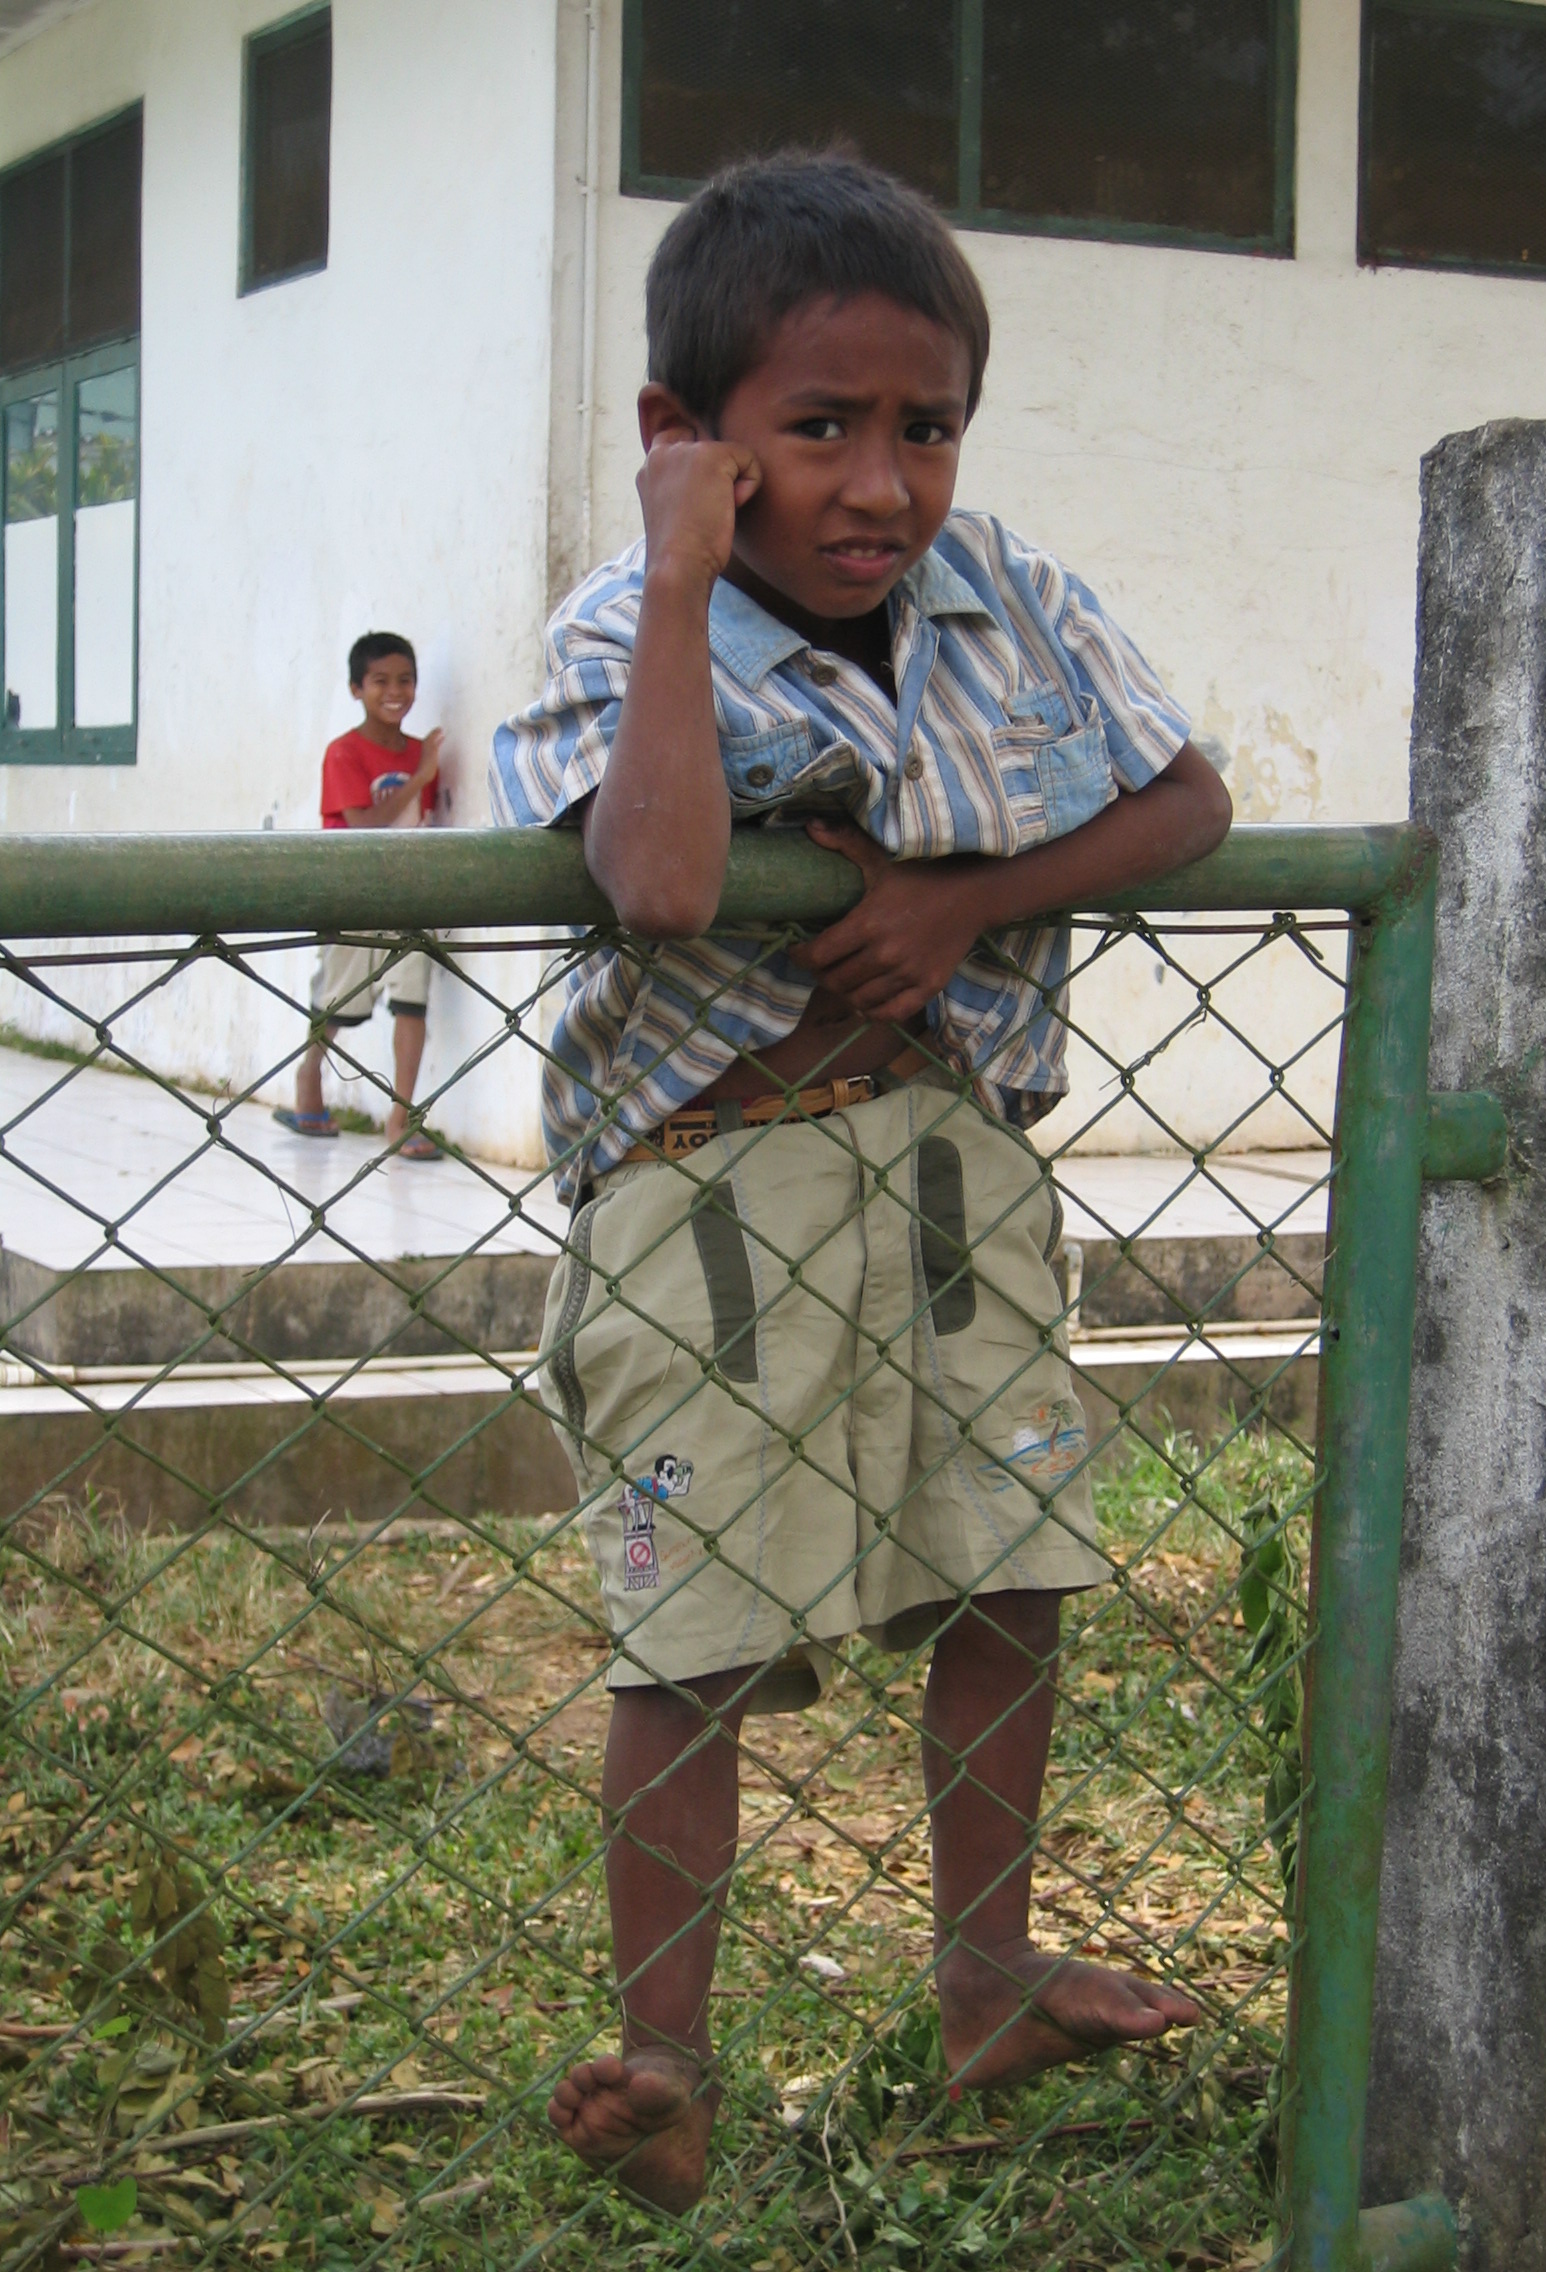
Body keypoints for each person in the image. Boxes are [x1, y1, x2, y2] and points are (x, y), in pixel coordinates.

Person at [490, 150, 1233, 2213]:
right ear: (689, 435)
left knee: (1015, 1569)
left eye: (926, 427)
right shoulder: (615, 628)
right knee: (695, 1637)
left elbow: (1187, 796)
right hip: (709, 1203)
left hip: (951, 1169)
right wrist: (671, 578)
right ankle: (664, 2057)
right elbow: (662, 881)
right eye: (818, 427)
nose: (881, 484)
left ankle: (984, 1973)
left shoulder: (1013, 594)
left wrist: (961, 901)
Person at [275, 631, 444, 1159]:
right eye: (380, 681)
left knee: (412, 1001)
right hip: (353, 892)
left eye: (405, 680)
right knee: (338, 1000)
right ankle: (309, 1079)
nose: (395, 692)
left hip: (409, 895)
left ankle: (401, 1117)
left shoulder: (421, 753)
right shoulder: (345, 753)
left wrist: (423, 771)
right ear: (356, 689)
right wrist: (419, 777)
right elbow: (364, 823)